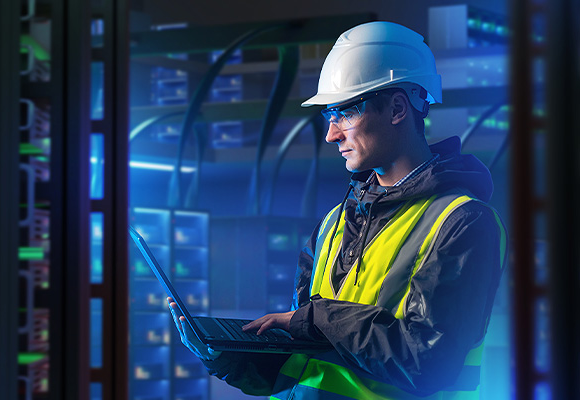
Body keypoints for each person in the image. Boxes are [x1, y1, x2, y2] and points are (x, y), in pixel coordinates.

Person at [168, 20, 506, 399]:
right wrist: (224, 356)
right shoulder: (335, 222)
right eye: (329, 116)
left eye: (345, 113)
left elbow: (426, 363)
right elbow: (303, 362)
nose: (332, 133)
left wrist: (316, 317)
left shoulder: (464, 222)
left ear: (397, 108)